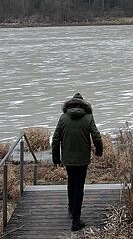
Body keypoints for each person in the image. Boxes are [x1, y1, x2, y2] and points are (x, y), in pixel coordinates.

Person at [51, 93, 103, 231]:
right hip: (82, 159)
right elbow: (96, 137)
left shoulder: (63, 118)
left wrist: (56, 158)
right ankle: (76, 220)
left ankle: (71, 208)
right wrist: (99, 151)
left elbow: (55, 139)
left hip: (68, 159)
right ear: (84, 105)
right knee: (79, 186)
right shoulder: (88, 118)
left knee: (71, 182)